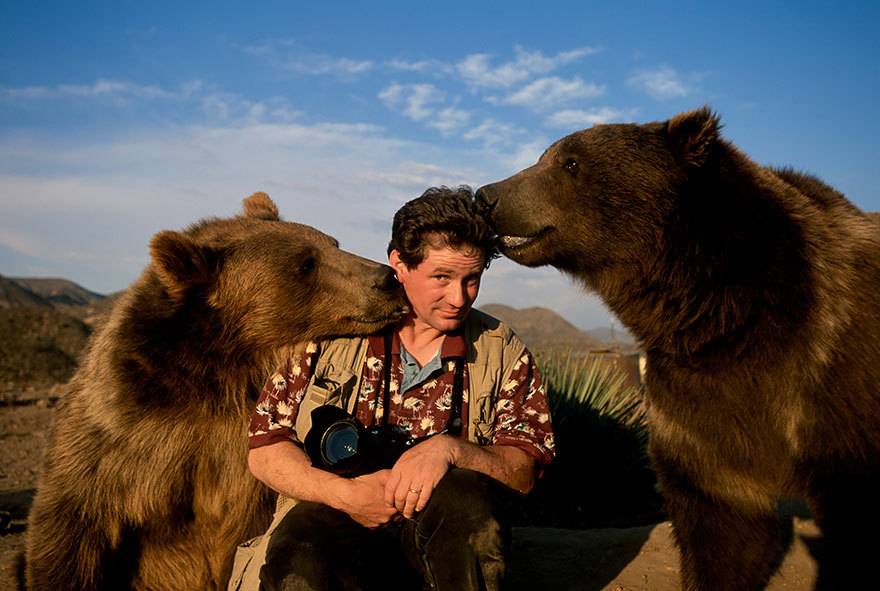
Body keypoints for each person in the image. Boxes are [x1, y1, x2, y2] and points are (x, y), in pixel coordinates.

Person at [236, 186, 555, 591]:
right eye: (441, 277)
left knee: (467, 505)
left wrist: (451, 450)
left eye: (471, 279)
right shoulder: (333, 334)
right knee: (299, 555)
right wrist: (344, 494)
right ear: (399, 264)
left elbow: (523, 469)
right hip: (338, 518)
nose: (459, 298)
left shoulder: (501, 348)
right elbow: (266, 448)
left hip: (441, 545)